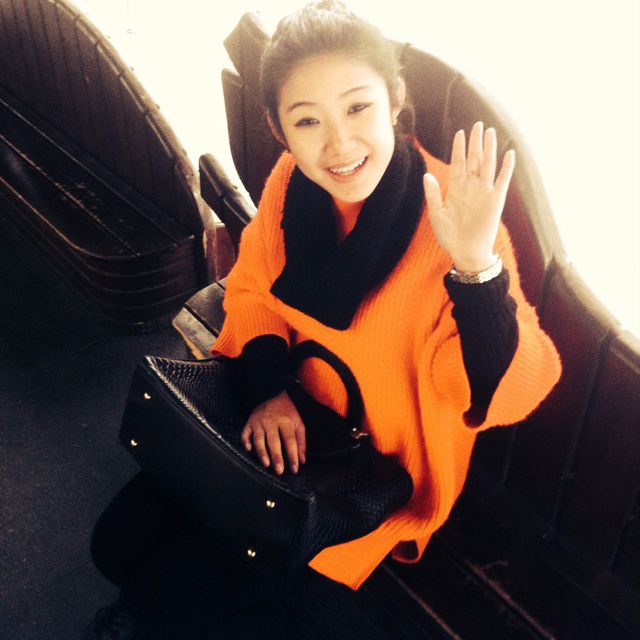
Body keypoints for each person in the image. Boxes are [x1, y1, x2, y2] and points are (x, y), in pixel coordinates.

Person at [85, 1, 561, 638]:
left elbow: (495, 394)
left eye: (358, 107)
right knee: (115, 544)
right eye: (307, 120)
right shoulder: (293, 182)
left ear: (394, 101)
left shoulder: (456, 225)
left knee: (178, 601)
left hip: (363, 473)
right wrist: (268, 390)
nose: (338, 145)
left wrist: (476, 268)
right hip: (276, 414)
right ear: (279, 129)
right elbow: (252, 288)